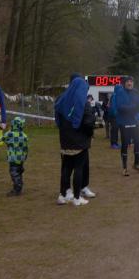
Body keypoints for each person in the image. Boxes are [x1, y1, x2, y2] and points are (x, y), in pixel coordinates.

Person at [56, 75, 96, 204]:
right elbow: (89, 123)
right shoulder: (83, 104)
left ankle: (63, 195)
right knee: (79, 168)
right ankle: (77, 198)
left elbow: (58, 121)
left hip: (65, 141)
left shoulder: (61, 101)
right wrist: (89, 135)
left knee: (66, 168)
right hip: (79, 142)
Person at [111, 75, 139, 175]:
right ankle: (125, 167)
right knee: (125, 143)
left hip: (134, 120)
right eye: (128, 82)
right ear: (124, 83)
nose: (130, 83)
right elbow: (121, 107)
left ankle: (136, 164)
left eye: (131, 81)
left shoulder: (136, 92)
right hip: (124, 121)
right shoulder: (120, 93)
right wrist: (134, 107)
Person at [2, 116, 29, 196]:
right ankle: (19, 183)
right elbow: (26, 148)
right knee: (19, 171)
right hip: (21, 157)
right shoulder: (24, 136)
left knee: (14, 173)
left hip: (13, 158)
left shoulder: (9, 134)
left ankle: (17, 188)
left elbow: (2, 139)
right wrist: (25, 156)